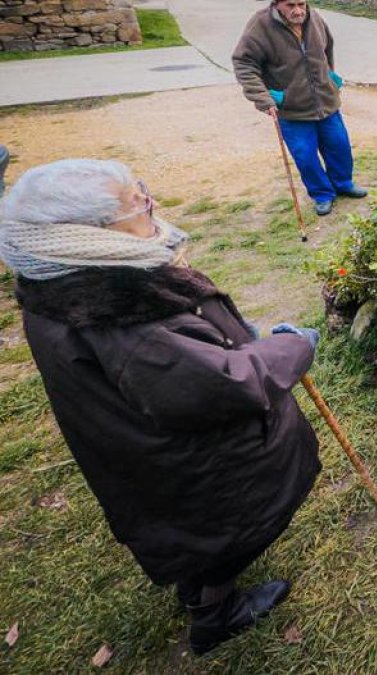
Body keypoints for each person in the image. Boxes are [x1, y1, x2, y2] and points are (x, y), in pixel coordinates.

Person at [0, 159, 323, 655]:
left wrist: (228, 336)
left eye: (141, 190)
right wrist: (294, 346)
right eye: (135, 202)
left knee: (188, 534)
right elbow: (223, 384)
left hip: (139, 450)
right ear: (87, 232)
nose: (150, 203)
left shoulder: (57, 281)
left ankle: (199, 585)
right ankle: (215, 611)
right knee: (222, 535)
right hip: (195, 467)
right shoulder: (121, 320)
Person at [233, 0, 366, 216]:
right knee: (305, 156)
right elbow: (244, 64)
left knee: (339, 146)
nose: (298, 11)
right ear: (277, 5)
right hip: (292, 108)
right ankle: (322, 194)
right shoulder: (260, 25)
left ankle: (343, 184)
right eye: (290, 5)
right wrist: (263, 97)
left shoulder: (315, 18)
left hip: (326, 102)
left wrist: (329, 76)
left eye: (301, 4)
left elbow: (327, 48)